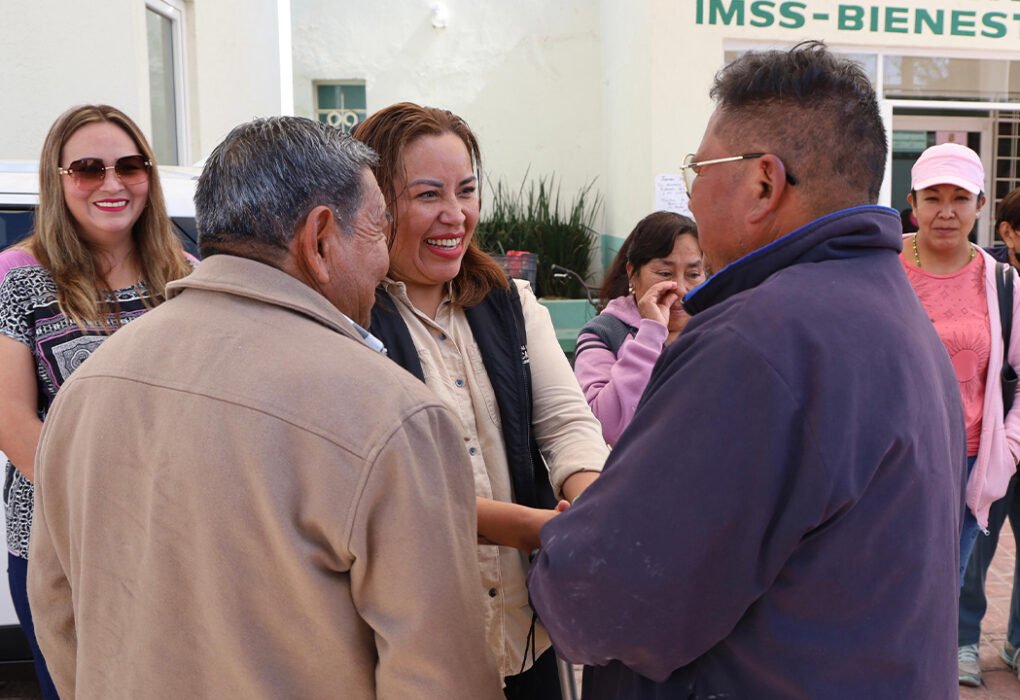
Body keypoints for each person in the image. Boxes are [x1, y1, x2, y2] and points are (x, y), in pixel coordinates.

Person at [528, 41, 965, 699]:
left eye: (698, 168)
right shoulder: (894, 312)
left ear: (763, 182)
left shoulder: (760, 339)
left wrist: (566, 544)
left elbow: (608, 601)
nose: (693, 193)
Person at [27, 116, 502, 699]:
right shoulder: (391, 413)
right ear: (321, 237)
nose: (383, 260)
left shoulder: (87, 386)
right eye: (379, 228)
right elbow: (438, 677)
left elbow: (57, 610)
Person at [355, 102, 608, 699]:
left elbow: (566, 422)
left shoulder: (509, 303)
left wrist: (592, 503)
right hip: (416, 646)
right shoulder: (352, 320)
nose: (455, 215)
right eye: (427, 195)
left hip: (525, 635)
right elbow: (399, 493)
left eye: (466, 190)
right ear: (375, 205)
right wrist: (541, 530)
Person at [0, 103, 193, 699]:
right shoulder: (19, 274)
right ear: (59, 182)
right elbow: (11, 420)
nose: (112, 183)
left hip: (171, 539)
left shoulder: (185, 274)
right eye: (87, 169)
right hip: (61, 541)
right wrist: (104, 515)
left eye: (129, 166)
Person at [950, 185, 1020, 686]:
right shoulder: (993, 282)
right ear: (1009, 232)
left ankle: (1016, 643)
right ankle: (963, 641)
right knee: (977, 546)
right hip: (997, 438)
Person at [573, 211, 705, 445]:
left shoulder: (715, 328)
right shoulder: (604, 334)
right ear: (632, 274)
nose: (682, 289)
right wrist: (650, 333)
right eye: (665, 273)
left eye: (694, 274)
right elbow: (606, 426)